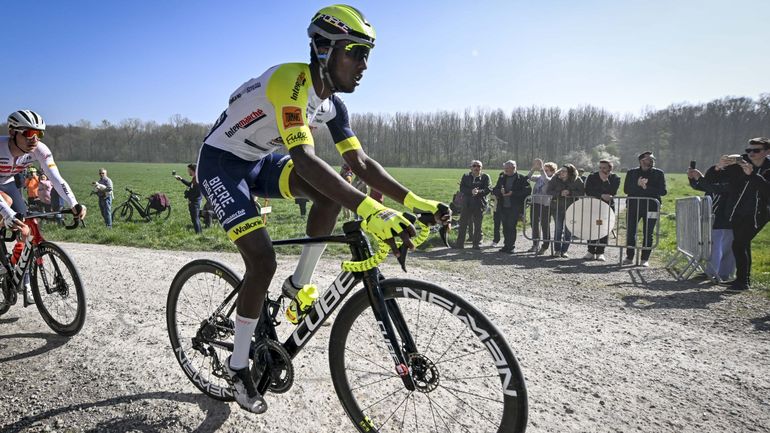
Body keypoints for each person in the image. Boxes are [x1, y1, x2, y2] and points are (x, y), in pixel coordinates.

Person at [195, 5, 448, 414]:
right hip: (222, 164)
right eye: (355, 52)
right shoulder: (290, 82)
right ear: (322, 48)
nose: (364, 65)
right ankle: (237, 365)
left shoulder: (333, 106)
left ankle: (298, 287)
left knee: (332, 194)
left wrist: (414, 201)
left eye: (368, 55)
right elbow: (307, 161)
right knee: (261, 260)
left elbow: (361, 165)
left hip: (259, 161)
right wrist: (372, 211)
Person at [0, 110, 87, 303]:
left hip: (7, 184)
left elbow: (56, 179)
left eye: (39, 134)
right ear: (13, 132)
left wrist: (73, 204)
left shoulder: (40, 150)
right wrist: (7, 214)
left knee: (28, 229)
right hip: (3, 193)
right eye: (29, 133)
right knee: (6, 205)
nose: (34, 139)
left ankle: (23, 280)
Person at [707, 138, 770, 291]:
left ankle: (743, 282)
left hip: (759, 214)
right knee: (742, 244)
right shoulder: (739, 164)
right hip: (737, 212)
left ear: (767, 152)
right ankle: (742, 280)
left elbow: (767, 191)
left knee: (739, 243)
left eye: (756, 150)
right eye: (749, 150)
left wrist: (752, 175)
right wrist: (718, 167)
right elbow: (712, 179)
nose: (751, 154)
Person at [623, 151, 667, 267]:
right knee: (630, 232)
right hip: (633, 207)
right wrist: (637, 185)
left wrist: (645, 187)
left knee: (648, 233)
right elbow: (627, 190)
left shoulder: (659, 173)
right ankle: (629, 257)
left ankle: (644, 259)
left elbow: (663, 191)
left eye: (653, 159)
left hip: (652, 208)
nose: (652, 160)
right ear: (642, 161)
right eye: (649, 159)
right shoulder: (632, 173)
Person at [583, 160, 621, 261]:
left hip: (607, 207)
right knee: (592, 228)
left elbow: (612, 191)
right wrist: (601, 195)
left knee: (604, 228)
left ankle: (600, 252)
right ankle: (590, 251)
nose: (601, 170)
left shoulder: (615, 178)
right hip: (593, 205)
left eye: (604, 168)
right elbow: (588, 190)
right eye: (600, 167)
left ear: (609, 168)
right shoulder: (592, 176)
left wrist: (605, 181)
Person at [491, 160, 531, 253]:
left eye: (507, 168)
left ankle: (511, 246)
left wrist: (513, 193)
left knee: (511, 226)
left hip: (515, 207)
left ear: (514, 168)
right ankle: (506, 245)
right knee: (505, 226)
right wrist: (499, 192)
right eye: (505, 168)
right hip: (503, 206)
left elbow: (527, 191)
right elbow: (495, 189)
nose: (505, 170)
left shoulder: (521, 178)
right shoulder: (502, 177)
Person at [546, 164, 585, 258]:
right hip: (557, 207)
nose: (561, 172)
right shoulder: (555, 179)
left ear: (570, 173)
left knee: (568, 230)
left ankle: (564, 251)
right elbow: (548, 191)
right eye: (561, 170)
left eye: (564, 171)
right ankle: (557, 250)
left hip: (572, 208)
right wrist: (560, 193)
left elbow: (581, 193)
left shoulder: (577, 180)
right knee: (558, 229)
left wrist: (570, 193)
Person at [455, 160, 491, 249]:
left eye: (478, 166)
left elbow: (488, 189)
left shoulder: (485, 177)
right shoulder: (466, 176)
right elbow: (462, 188)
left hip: (479, 204)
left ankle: (476, 243)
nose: (476, 168)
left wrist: (479, 192)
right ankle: (459, 244)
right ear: (470, 167)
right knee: (463, 224)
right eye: (474, 166)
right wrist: (471, 191)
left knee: (478, 225)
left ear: (481, 168)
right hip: (466, 203)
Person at [527, 159, 556, 255]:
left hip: (545, 205)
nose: (544, 171)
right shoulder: (539, 177)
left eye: (547, 170)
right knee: (534, 224)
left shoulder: (552, 179)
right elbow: (528, 177)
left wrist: (541, 169)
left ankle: (545, 245)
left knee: (545, 225)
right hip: (535, 203)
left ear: (552, 171)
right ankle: (535, 244)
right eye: (544, 169)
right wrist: (533, 168)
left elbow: (546, 180)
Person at [175, 163, 207, 233]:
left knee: (195, 219)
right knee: (195, 219)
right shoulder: (195, 178)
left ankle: (199, 235)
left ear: (193, 170)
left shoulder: (197, 180)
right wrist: (181, 179)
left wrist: (188, 195)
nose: (188, 171)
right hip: (193, 201)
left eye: (189, 170)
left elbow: (197, 192)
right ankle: (199, 233)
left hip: (195, 202)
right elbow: (190, 185)